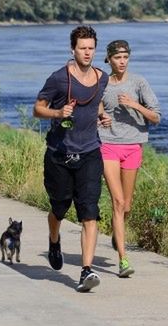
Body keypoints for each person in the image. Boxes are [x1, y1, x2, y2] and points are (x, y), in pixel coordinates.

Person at [33, 25, 111, 292]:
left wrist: (101, 114)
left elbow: (96, 100)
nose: (87, 53)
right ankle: (54, 239)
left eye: (91, 48)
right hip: (60, 155)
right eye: (82, 48)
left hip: (90, 152)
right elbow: (38, 109)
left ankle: (86, 271)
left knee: (90, 212)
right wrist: (58, 114)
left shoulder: (103, 78)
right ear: (73, 50)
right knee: (59, 209)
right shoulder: (58, 79)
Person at [99, 39, 161, 278]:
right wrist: (101, 116)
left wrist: (135, 104)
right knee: (116, 202)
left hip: (133, 146)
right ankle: (123, 260)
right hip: (108, 145)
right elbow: (95, 107)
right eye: (117, 57)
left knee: (126, 205)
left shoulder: (139, 83)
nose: (122, 62)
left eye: (125, 57)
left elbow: (156, 117)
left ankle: (118, 231)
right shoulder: (102, 82)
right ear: (109, 59)